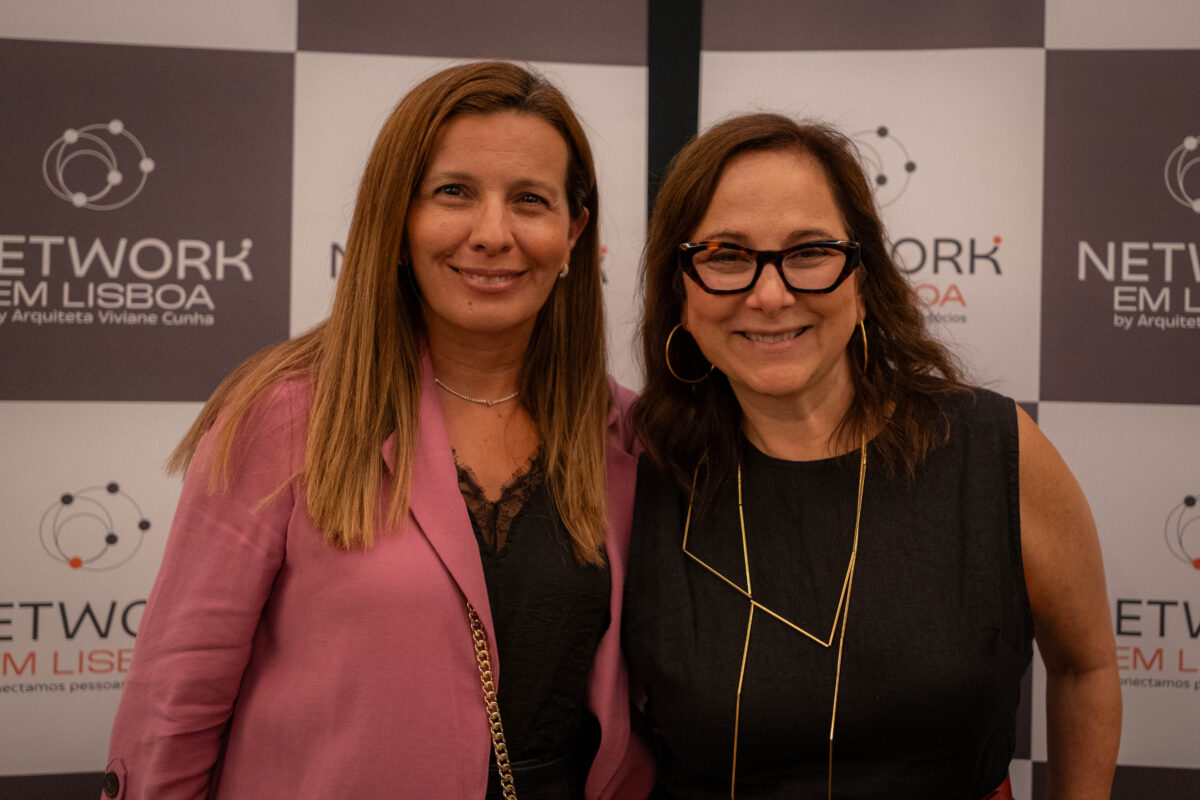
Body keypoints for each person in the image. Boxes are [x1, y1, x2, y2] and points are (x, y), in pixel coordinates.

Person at [103, 62, 653, 800]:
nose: (493, 234)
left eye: (530, 200)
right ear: (396, 216)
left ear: (573, 231)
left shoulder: (625, 433)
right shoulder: (286, 415)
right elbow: (177, 701)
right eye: (454, 192)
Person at [622, 114, 1120, 799]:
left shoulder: (991, 451)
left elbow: (1086, 668)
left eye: (809, 252)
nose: (770, 294)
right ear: (681, 292)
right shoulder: (636, 475)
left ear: (863, 280)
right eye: (727, 255)